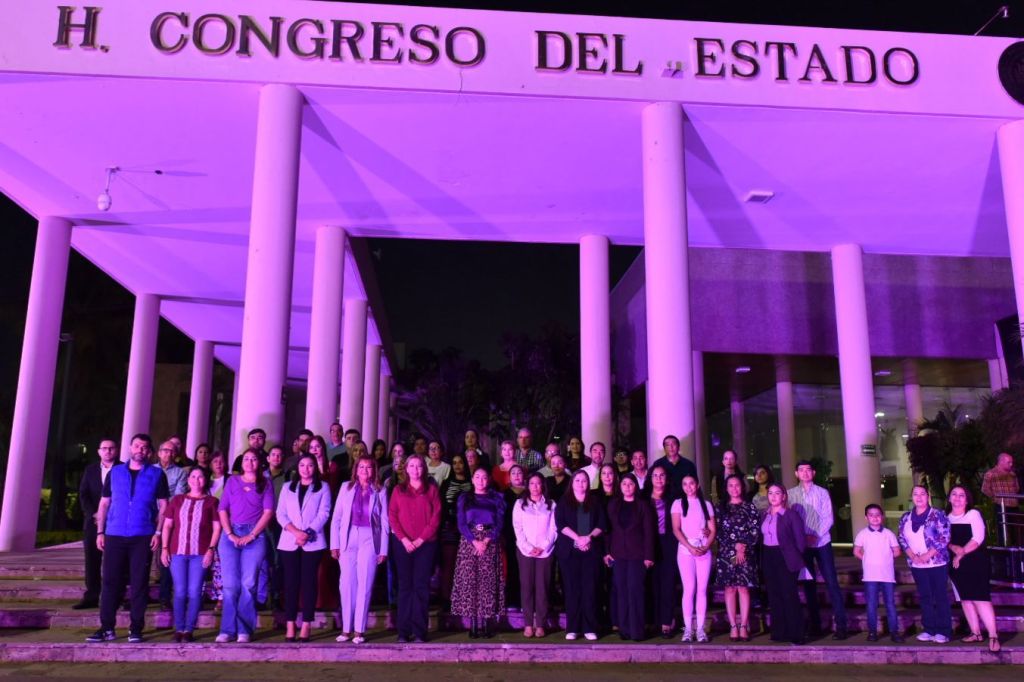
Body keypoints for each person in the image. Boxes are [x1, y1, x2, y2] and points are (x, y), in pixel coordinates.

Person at [87, 434, 169, 644]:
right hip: (114, 534)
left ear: (149, 451)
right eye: (137, 446)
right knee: (110, 582)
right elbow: (104, 503)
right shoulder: (115, 472)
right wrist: (100, 532)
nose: (140, 449)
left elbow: (164, 506)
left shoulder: (157, 474)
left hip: (142, 535)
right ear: (130, 448)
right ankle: (107, 628)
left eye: (144, 447)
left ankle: (136, 628)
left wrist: (158, 532)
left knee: (139, 582)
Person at [216, 449, 275, 643]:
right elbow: (222, 509)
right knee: (230, 585)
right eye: (246, 459)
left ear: (260, 463)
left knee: (248, 584)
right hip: (230, 534)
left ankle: (244, 629)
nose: (249, 462)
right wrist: (230, 533)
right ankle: (227, 630)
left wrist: (252, 535)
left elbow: (268, 512)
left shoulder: (266, 483)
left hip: (254, 535)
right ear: (242, 463)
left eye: (254, 459)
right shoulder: (232, 481)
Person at [331, 455, 390, 643]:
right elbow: (337, 518)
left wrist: (383, 549)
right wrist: (335, 544)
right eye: (361, 467)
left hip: (369, 538)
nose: (365, 470)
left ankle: (359, 630)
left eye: (369, 467)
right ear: (356, 470)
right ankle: (346, 629)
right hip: (348, 537)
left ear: (374, 470)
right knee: (346, 584)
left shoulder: (380, 491)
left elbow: (384, 521)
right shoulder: (345, 488)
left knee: (365, 583)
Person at [788, 459, 848, 640]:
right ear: (796, 474)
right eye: (801, 470)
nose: (805, 473)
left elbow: (828, 517)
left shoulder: (822, 492)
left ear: (813, 473)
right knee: (809, 586)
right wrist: (803, 537)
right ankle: (815, 626)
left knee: (832, 583)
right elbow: (791, 519)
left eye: (808, 470)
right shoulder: (790, 494)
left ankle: (841, 626)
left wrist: (815, 535)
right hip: (803, 546)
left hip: (822, 543)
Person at [274, 453, 332, 642]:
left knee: (309, 583)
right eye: (302, 465)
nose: (306, 469)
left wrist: (306, 533)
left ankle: (306, 624)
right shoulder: (287, 487)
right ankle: (290, 624)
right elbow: (280, 514)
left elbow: (324, 513)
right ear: (297, 468)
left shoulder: (323, 487)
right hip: (289, 541)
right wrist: (296, 532)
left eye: (310, 465)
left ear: (315, 468)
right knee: (290, 584)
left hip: (312, 542)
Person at [161, 466, 221, 642]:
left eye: (200, 477)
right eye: (193, 476)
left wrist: (211, 549)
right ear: (188, 480)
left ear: (205, 480)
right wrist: (164, 548)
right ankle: (179, 628)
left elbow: (217, 528)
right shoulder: (177, 500)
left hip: (200, 553)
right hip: (177, 552)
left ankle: (188, 629)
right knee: (180, 591)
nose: (196, 480)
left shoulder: (212, 502)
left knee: (194, 592)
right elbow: (167, 525)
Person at [388, 454, 442, 642]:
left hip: (425, 545)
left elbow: (436, 518)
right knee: (405, 586)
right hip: (402, 544)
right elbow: (392, 516)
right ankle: (403, 631)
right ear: (406, 469)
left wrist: (420, 540)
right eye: (411, 466)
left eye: (419, 466)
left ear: (424, 469)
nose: (415, 469)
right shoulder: (398, 490)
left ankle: (419, 631)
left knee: (421, 586)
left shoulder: (432, 490)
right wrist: (404, 539)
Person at [450, 467, 506, 638]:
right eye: (477, 477)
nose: (481, 480)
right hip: (469, 541)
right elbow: (461, 523)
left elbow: (500, 522)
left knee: (487, 582)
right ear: (472, 479)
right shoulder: (464, 498)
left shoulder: (496, 498)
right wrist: (474, 541)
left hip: (490, 540)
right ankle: (473, 624)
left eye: (484, 477)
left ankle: (487, 622)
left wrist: (486, 541)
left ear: (488, 480)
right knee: (470, 581)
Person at [555, 469, 607, 641]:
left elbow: (601, 524)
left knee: (590, 589)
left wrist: (588, 538)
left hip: (591, 550)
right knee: (572, 590)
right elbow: (560, 524)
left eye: (584, 480)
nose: (581, 484)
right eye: (577, 480)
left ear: (588, 483)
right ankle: (573, 628)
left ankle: (589, 627)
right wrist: (578, 538)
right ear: (572, 483)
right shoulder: (564, 501)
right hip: (570, 551)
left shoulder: (595, 501)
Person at [897, 484, 953, 644]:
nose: (919, 497)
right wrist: (913, 556)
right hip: (917, 565)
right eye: (915, 494)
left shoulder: (938, 514)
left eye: (922, 494)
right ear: (912, 497)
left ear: (928, 496)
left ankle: (944, 631)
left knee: (940, 597)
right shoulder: (905, 517)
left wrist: (927, 555)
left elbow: (944, 537)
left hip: (937, 563)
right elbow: (901, 537)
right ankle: (929, 629)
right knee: (925, 597)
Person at [947, 485, 1000, 652]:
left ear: (967, 500)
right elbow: (943, 540)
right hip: (956, 565)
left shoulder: (973, 514)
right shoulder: (946, 518)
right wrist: (953, 547)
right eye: (954, 494)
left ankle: (993, 636)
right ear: (949, 498)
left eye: (961, 495)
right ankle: (975, 633)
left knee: (981, 599)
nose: (957, 498)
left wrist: (961, 553)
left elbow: (977, 538)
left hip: (975, 561)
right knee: (965, 599)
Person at [604, 473, 654, 642]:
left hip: (638, 555)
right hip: (618, 554)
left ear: (635, 486)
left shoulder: (643, 506)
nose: (627, 487)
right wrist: (607, 551)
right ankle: (624, 630)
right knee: (621, 590)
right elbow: (608, 530)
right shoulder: (613, 505)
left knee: (635, 590)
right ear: (620, 487)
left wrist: (649, 555)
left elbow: (649, 532)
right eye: (624, 484)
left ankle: (637, 631)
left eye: (630, 484)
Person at [513, 471, 558, 638]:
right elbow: (517, 527)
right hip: (525, 551)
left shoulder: (551, 504)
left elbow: (554, 528)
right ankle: (527, 624)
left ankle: (540, 624)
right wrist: (528, 546)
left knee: (542, 588)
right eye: (532, 483)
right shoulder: (520, 504)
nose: (535, 487)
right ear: (528, 485)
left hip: (545, 552)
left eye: (538, 483)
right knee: (527, 587)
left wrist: (543, 546)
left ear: (543, 486)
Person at [75, 438, 119, 610]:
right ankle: (91, 596)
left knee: (115, 561)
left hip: (116, 522)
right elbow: (83, 494)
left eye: (111, 448)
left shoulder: (123, 469)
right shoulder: (91, 470)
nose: (108, 451)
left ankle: (115, 597)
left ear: (116, 450)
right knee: (92, 560)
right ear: (99, 451)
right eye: (104, 448)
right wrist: (94, 513)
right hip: (93, 521)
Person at [672, 474, 716, 643]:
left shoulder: (706, 504)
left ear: (697, 485)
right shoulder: (677, 504)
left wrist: (706, 546)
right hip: (685, 550)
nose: (688, 487)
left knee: (702, 590)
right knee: (689, 589)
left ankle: (700, 629)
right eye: (685, 484)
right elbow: (676, 529)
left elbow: (712, 529)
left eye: (691, 483)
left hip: (703, 549)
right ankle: (688, 629)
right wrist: (690, 547)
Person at [761, 484, 807, 645]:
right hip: (769, 556)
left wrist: (794, 557)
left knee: (789, 595)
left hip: (786, 557)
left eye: (777, 493)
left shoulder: (791, 515)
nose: (773, 496)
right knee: (774, 595)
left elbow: (800, 542)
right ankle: (779, 632)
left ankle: (796, 634)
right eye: (770, 493)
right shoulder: (764, 515)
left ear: (784, 496)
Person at [716, 474, 759, 642]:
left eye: (737, 485)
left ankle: (744, 625)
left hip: (745, 553)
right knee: (730, 588)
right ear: (726, 488)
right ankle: (733, 626)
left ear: (742, 487)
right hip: (727, 554)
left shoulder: (750, 507)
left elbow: (755, 530)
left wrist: (742, 546)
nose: (734, 488)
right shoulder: (721, 507)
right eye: (731, 485)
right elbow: (718, 532)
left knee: (743, 588)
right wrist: (734, 547)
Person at [853, 503, 903, 643]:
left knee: (890, 604)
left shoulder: (888, 534)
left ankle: (894, 632)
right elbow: (856, 551)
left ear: (882, 516)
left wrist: (885, 559)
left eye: (877, 515)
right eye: (871, 515)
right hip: (870, 576)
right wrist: (868, 559)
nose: (875, 518)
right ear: (866, 517)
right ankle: (872, 632)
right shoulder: (862, 534)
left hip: (887, 576)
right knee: (871, 605)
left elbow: (897, 551)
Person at [647, 464, 678, 638]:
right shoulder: (643, 497)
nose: (659, 479)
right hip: (649, 544)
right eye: (655, 475)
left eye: (662, 475)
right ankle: (654, 620)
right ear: (650, 478)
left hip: (669, 543)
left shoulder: (674, 498)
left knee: (668, 582)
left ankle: (667, 620)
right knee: (652, 583)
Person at [439, 452, 473, 607]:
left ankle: (464, 597)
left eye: (460, 462)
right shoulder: (446, 483)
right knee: (449, 563)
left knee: (466, 565)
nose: (457, 465)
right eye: (454, 463)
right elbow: (441, 506)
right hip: (450, 527)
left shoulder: (471, 483)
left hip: (468, 529)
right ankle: (446, 599)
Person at [982, 452, 1020, 546]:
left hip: (1014, 506)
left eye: (1012, 462)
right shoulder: (990, 474)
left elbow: (1017, 488)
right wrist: (995, 498)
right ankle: (1003, 550)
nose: (1011, 464)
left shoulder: (1012, 474)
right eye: (1009, 462)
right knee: (1002, 530)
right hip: (1001, 506)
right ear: (1001, 462)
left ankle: (1017, 550)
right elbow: (985, 489)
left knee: (1016, 531)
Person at [503, 464, 527, 609]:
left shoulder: (530, 492)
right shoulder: (504, 494)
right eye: (513, 473)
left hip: (529, 535)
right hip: (510, 535)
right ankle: (513, 600)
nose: (517, 475)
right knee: (512, 566)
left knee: (526, 569)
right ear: (509, 477)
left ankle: (527, 600)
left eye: (519, 473)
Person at [651, 435, 698, 501]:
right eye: (667, 445)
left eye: (673, 444)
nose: (671, 447)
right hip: (663, 501)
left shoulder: (688, 464)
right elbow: (651, 483)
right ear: (664, 448)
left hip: (684, 501)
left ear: (678, 447)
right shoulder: (658, 464)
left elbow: (695, 484)